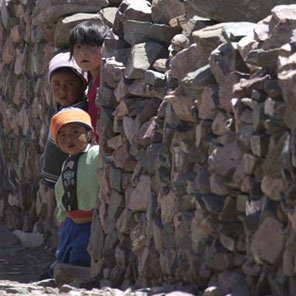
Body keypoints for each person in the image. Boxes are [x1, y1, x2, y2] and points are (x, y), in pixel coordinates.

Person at [50, 107, 100, 267]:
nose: (69, 138)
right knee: (64, 253)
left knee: (81, 256)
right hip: (71, 222)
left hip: (89, 222)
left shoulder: (95, 154)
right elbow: (61, 188)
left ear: (90, 134)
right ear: (57, 143)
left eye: (75, 132)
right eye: (62, 135)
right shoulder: (67, 163)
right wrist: (61, 215)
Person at [41, 51, 88, 188]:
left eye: (70, 84)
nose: (62, 90)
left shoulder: (77, 114)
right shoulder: (60, 110)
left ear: (83, 85)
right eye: (56, 84)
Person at [69, 20, 110, 142]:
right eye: (78, 47)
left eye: (92, 46)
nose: (84, 53)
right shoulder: (89, 79)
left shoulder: (106, 81)